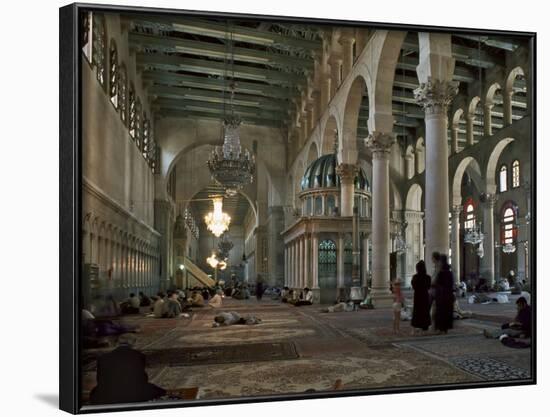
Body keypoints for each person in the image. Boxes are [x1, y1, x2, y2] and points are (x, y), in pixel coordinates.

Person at [89, 334, 166, 405]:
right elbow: (142, 377)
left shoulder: (103, 358)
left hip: (107, 397)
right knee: (158, 391)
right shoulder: (138, 356)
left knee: (95, 392)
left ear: (117, 343)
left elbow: (100, 379)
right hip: (135, 396)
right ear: (133, 343)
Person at [433, 255, 455, 334]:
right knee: (446, 312)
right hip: (448, 296)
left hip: (442, 296)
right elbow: (452, 284)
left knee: (441, 312)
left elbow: (436, 283)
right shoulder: (449, 272)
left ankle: (440, 328)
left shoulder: (441, 273)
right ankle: (445, 329)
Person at [411, 260, 431, 333]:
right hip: (425, 296)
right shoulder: (428, 277)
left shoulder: (415, 277)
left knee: (417, 311)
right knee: (425, 311)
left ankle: (416, 325)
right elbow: (429, 287)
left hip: (418, 296)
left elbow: (413, 286)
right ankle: (425, 326)